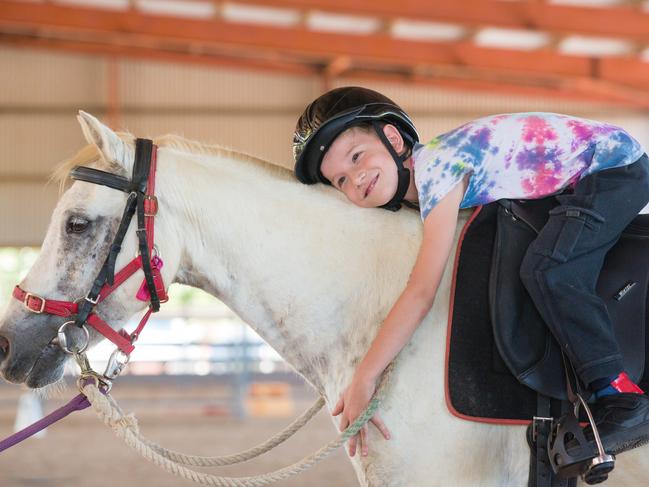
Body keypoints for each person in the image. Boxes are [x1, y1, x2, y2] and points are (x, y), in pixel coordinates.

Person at [292, 86, 649, 461]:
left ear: (393, 138)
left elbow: (421, 291)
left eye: (356, 157)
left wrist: (363, 378)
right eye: (341, 180)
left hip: (614, 166)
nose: (356, 178)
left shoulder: (438, 168)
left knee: (550, 269)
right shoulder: (433, 179)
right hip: (586, 175)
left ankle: (618, 394)